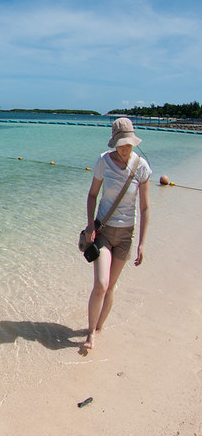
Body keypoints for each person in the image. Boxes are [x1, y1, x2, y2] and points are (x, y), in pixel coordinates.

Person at [82, 118, 151, 350]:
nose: (125, 148)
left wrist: (141, 243)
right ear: (114, 143)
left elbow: (144, 208)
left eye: (129, 144)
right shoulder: (103, 162)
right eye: (121, 144)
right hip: (104, 231)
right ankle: (90, 332)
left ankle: (99, 327)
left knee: (111, 287)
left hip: (126, 235)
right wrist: (90, 225)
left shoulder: (141, 167)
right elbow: (92, 195)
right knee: (100, 284)